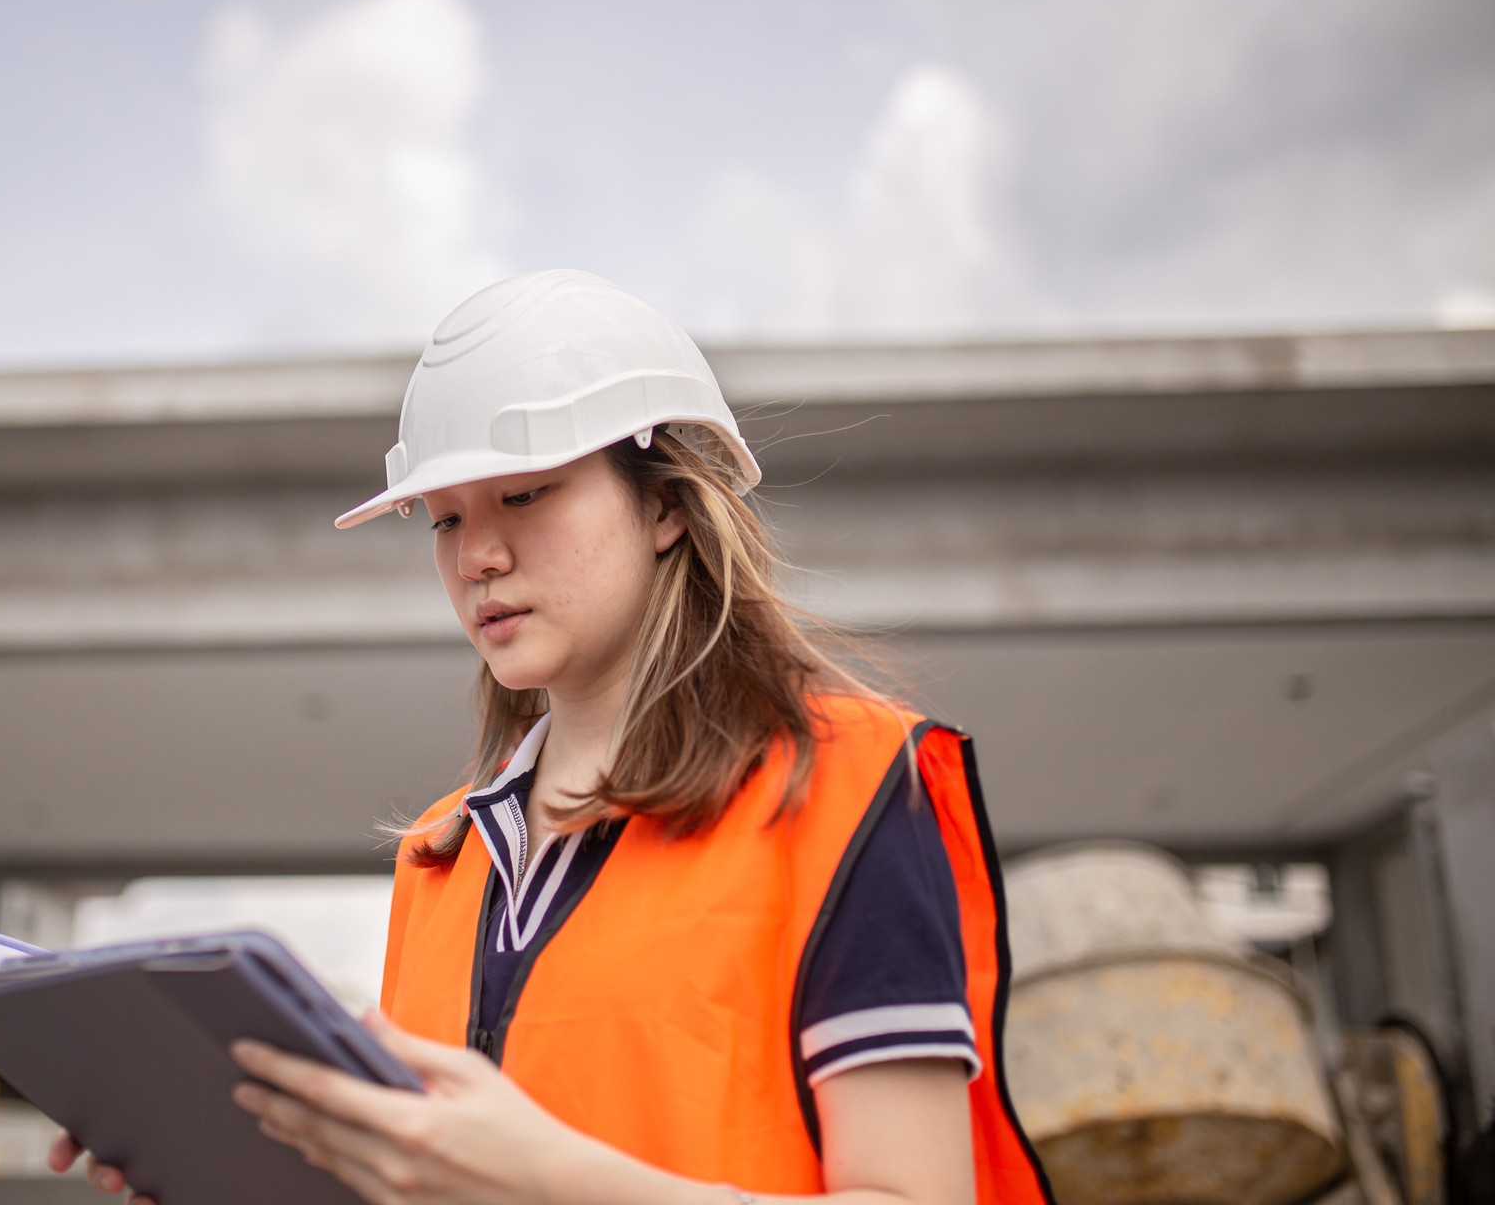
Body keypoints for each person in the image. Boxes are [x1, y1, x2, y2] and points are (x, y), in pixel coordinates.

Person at [52, 270, 1053, 1204]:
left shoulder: (844, 784)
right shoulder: (439, 861)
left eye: (523, 494)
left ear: (664, 502)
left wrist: (551, 1183)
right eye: (444, 518)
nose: (478, 555)